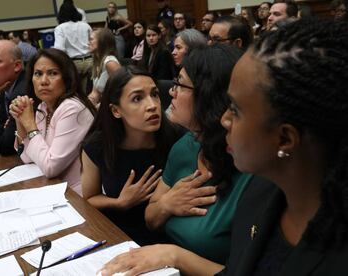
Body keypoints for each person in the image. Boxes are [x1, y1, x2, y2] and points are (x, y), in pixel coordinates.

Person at [101, 18, 348, 276]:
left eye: (235, 110)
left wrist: (176, 255)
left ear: (285, 139)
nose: (224, 119)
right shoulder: (262, 194)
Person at [100, 43, 247, 275]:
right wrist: (167, 204)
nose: (171, 92)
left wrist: (175, 256)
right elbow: (151, 217)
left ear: (208, 95)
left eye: (179, 84)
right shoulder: (186, 146)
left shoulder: (251, 169)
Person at [81, 65, 181, 245]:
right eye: (137, 98)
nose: (152, 106)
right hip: (118, 236)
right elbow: (89, 198)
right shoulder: (97, 145)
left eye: (155, 94)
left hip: (170, 237)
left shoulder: (177, 138)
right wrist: (119, 203)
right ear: (116, 110)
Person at [9, 48, 95, 194]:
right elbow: (27, 157)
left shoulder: (72, 108)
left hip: (78, 196)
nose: (43, 81)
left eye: (53, 73)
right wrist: (20, 119)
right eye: (38, 74)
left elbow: (50, 167)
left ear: (67, 78)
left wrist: (29, 124)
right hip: (54, 189)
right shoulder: (44, 106)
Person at [54, 1, 92, 95]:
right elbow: (93, 43)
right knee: (87, 92)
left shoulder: (60, 28)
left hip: (74, 63)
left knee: (74, 93)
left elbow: (59, 49)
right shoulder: (85, 25)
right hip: (90, 61)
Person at [87, 28, 121, 105]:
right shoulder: (97, 63)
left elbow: (123, 90)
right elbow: (95, 94)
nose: (88, 43)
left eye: (91, 39)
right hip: (103, 105)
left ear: (102, 42)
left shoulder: (110, 63)